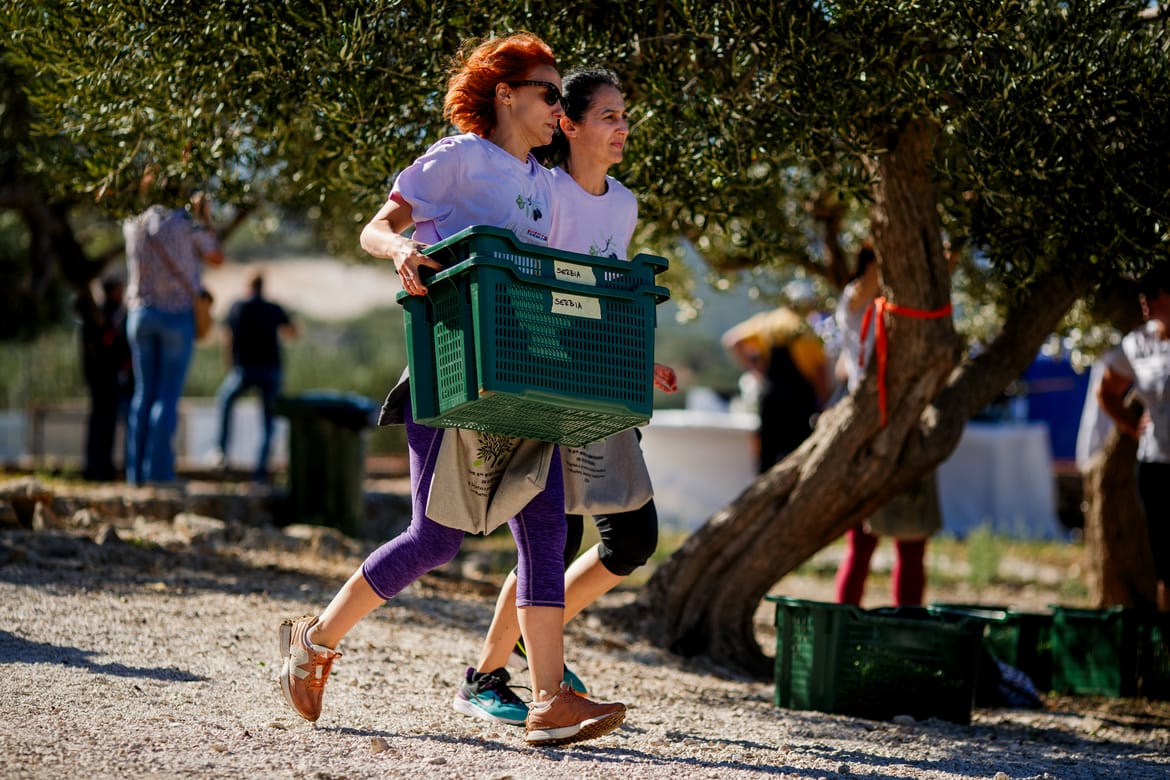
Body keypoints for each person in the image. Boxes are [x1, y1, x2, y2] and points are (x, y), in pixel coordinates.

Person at [276, 33, 627, 747]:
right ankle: (314, 640)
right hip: (452, 372)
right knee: (435, 540)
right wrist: (403, 248)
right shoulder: (460, 158)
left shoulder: (538, 183)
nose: (559, 108)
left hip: (523, 376)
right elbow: (377, 226)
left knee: (548, 526)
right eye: (550, 94)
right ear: (507, 95)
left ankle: (549, 700)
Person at [451, 67, 678, 727]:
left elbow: (604, 297)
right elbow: (523, 288)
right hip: (543, 380)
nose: (621, 127)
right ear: (569, 126)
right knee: (551, 539)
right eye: (607, 115)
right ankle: (486, 675)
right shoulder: (541, 194)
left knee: (633, 539)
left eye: (624, 115)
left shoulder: (625, 204)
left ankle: (533, 632)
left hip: (600, 384)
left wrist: (640, 357)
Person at [832, 243, 941, 606]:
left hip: (905, 421)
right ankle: (844, 623)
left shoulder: (910, 303)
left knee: (911, 540)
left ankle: (907, 622)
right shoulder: (857, 300)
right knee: (862, 542)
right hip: (869, 422)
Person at [123, 191, 224, 486]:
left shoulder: (133, 222)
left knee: (143, 395)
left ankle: (135, 475)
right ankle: (159, 474)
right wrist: (204, 216)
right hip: (176, 316)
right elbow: (216, 256)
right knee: (166, 397)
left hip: (139, 315)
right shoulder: (185, 222)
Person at [1097, 267, 1170, 612]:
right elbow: (1106, 391)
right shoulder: (1138, 344)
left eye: (1153, 291)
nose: (1144, 299)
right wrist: (1131, 424)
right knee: (1167, 564)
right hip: (1158, 464)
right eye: (1141, 292)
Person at [722, 282, 830, 473]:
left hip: (770, 398)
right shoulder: (807, 329)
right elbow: (820, 372)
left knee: (767, 455)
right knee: (796, 454)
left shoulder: (766, 322)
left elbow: (732, 340)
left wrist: (755, 368)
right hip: (799, 403)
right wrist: (824, 402)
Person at [214, 270, 296, 482]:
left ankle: (221, 453)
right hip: (270, 369)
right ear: (263, 286)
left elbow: (226, 337)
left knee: (224, 400)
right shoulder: (272, 308)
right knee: (268, 420)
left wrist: (229, 362)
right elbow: (292, 332)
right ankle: (261, 470)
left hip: (244, 369)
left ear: (248, 286)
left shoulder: (237, 306)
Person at [79, 275, 133, 481]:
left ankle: (102, 469)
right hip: (104, 381)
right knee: (101, 425)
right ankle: (97, 469)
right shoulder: (104, 316)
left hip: (107, 381)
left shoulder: (109, 314)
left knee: (105, 425)